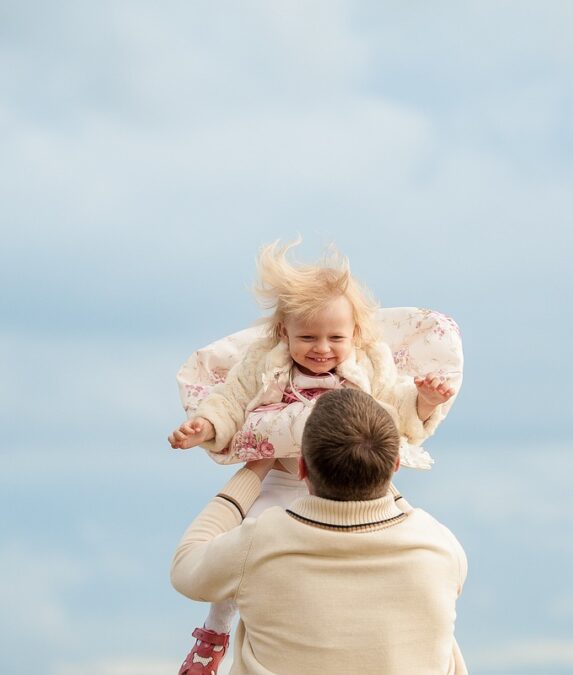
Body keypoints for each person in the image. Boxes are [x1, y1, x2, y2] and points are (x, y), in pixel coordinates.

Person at [167, 240, 457, 673]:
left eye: (335, 337)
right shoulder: (263, 363)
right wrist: (206, 427)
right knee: (243, 540)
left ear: (356, 333)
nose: (321, 349)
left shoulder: (370, 363)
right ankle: (215, 630)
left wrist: (424, 401)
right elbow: (230, 402)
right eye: (307, 337)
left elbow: (393, 407)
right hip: (280, 477)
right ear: (283, 333)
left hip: (351, 478)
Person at [171, 388, 468, 674]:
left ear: (302, 468)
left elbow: (186, 566)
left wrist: (256, 467)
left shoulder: (261, 542)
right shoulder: (440, 547)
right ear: (396, 465)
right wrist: (374, 466)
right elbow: (402, 517)